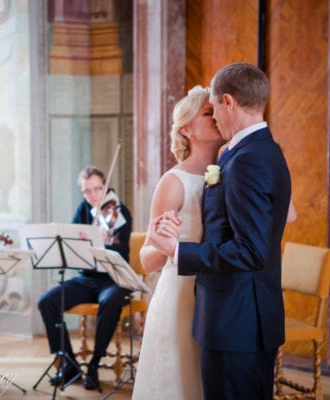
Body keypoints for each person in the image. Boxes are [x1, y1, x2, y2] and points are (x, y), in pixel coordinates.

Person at [158, 62, 292, 400]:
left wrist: (179, 251)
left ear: (228, 102)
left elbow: (251, 249)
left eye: (214, 106)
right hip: (239, 317)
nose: (214, 116)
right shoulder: (257, 151)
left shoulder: (248, 159)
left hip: (237, 321)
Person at [132, 86, 225, 399]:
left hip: (219, 296)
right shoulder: (174, 182)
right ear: (187, 129)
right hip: (180, 299)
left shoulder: (231, 172)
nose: (217, 117)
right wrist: (164, 242)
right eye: (208, 113)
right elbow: (146, 259)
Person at [37, 166, 132, 390]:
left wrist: (106, 240)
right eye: (87, 191)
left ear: (105, 186)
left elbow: (122, 249)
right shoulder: (83, 210)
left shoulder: (120, 212)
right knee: (47, 302)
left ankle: (94, 365)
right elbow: (70, 244)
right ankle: (69, 365)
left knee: (109, 303)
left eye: (97, 189)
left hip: (114, 279)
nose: (93, 195)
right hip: (87, 279)